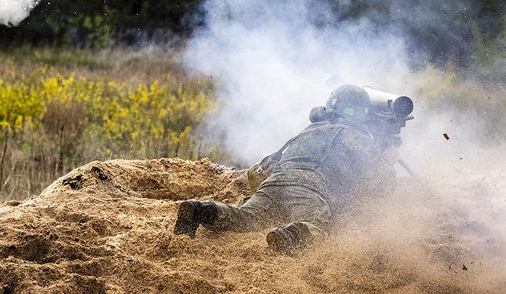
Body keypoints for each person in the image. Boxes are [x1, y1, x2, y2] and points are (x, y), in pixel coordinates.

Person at [173, 84, 406, 254]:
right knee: (316, 229)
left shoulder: (310, 128)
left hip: (275, 184)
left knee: (244, 218)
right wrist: (387, 160)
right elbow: (382, 186)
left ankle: (199, 210)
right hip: (310, 190)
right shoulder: (357, 137)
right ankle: (288, 236)